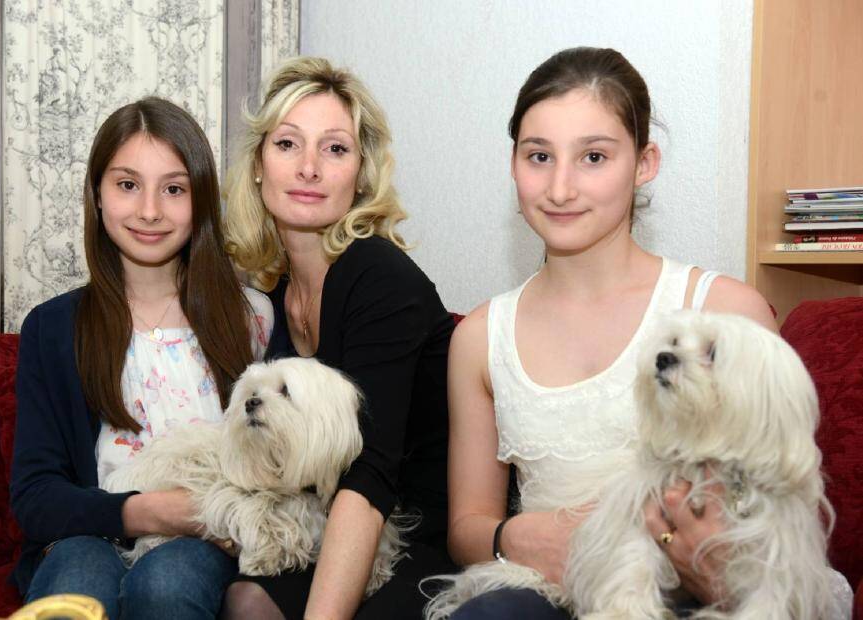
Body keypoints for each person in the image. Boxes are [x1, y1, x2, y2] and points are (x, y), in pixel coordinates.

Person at [444, 47, 782, 618]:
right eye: (539, 156)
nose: (560, 187)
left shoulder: (725, 315)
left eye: (594, 157)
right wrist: (516, 538)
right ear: (513, 164)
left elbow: (772, 507)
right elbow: (466, 526)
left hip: (689, 591)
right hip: (545, 591)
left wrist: (659, 543)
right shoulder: (480, 337)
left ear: (644, 163)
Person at [9, 97, 273, 620]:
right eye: (127, 184)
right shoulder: (55, 327)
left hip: (208, 539)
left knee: (166, 584)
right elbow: (36, 496)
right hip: (87, 533)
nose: (150, 210)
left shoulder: (254, 319)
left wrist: (214, 518)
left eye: (173, 189)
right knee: (78, 577)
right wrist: (142, 510)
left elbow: (285, 462)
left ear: (200, 201)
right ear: (98, 195)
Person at [221, 56, 455, 619]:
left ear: (360, 174)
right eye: (287, 145)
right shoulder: (270, 292)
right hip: (336, 523)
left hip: (420, 534)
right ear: (257, 164)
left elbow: (370, 475)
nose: (309, 168)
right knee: (244, 599)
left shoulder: (379, 276)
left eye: (334, 149)